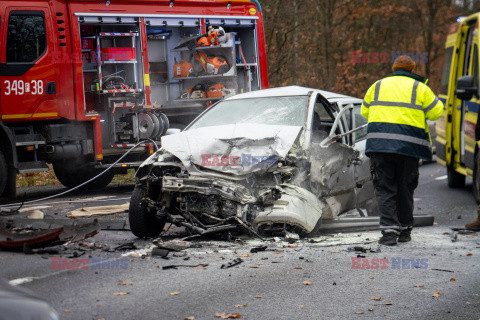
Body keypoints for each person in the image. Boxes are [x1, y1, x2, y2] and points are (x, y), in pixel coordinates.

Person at [361, 55, 444, 245]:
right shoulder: (420, 88)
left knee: (385, 189)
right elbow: (436, 112)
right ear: (412, 70)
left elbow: (364, 112)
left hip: (380, 148)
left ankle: (389, 233)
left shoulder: (377, 86)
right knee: (405, 189)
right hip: (409, 149)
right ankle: (405, 231)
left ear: (394, 69)